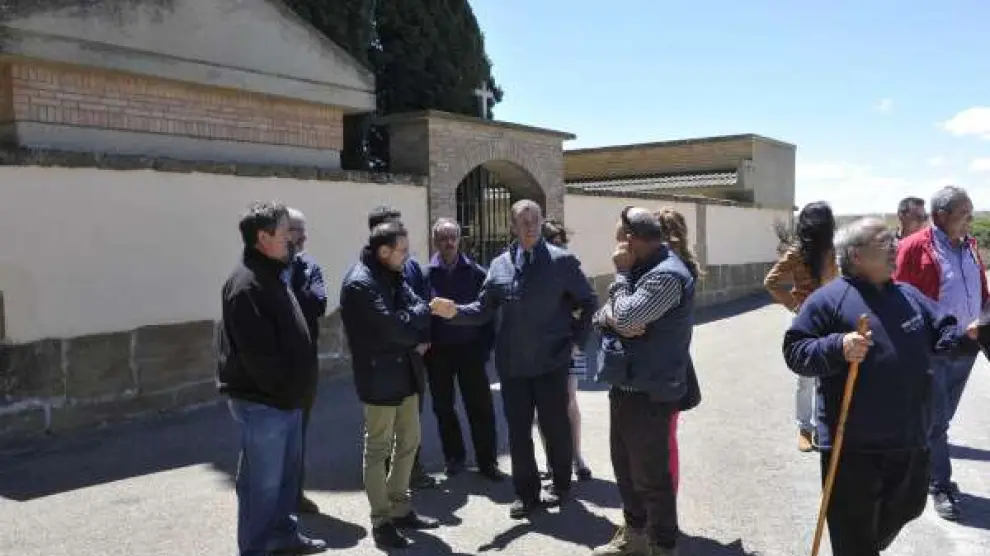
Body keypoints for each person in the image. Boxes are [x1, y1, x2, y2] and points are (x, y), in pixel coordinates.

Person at [783, 217, 979, 556]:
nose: (894, 248)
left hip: (910, 436)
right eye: (884, 242)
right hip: (853, 445)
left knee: (910, 506)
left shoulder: (907, 294)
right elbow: (796, 351)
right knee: (852, 533)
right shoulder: (828, 300)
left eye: (893, 241)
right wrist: (837, 346)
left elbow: (941, 324)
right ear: (856, 255)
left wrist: (959, 337)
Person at [430, 199, 598, 519]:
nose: (531, 225)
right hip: (513, 366)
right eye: (524, 221)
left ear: (542, 222)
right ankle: (526, 493)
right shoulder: (499, 266)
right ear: (513, 227)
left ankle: (561, 484)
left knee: (556, 428)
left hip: (551, 363)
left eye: (535, 219)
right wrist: (455, 312)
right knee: (519, 434)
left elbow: (589, 302)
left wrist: (577, 342)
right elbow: (482, 309)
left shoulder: (562, 262)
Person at [217, 201, 327, 556]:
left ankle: (283, 536)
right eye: (284, 233)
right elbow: (258, 358)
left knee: (284, 481)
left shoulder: (272, 272)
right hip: (266, 403)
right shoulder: (247, 285)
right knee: (261, 487)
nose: (291, 240)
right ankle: (256, 548)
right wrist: (286, 392)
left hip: (287, 400)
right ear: (263, 238)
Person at [590, 207, 695, 556]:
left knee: (652, 479)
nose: (616, 247)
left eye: (619, 239)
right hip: (626, 387)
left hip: (650, 394)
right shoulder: (643, 269)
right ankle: (634, 539)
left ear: (630, 240)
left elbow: (627, 317)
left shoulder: (666, 275)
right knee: (625, 469)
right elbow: (607, 317)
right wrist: (613, 317)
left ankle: (662, 546)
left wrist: (620, 278)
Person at [339, 221, 440, 549]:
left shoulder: (394, 274)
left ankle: (400, 506)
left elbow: (417, 307)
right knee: (378, 449)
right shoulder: (360, 283)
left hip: (405, 371)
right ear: (383, 251)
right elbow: (391, 328)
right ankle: (381, 520)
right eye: (402, 250)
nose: (407, 256)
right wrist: (412, 319)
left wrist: (409, 318)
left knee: (410, 441)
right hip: (378, 376)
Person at [892, 185, 989, 521]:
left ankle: (920, 470)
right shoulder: (913, 247)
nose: (970, 220)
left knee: (941, 418)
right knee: (936, 421)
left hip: (968, 345)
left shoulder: (970, 246)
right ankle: (939, 484)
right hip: (933, 347)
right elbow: (896, 297)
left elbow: (980, 289)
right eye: (964, 214)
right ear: (940, 216)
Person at [424, 218, 502, 481]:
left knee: (480, 407)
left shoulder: (477, 273)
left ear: (459, 240)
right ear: (435, 241)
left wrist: (485, 348)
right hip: (438, 353)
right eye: (442, 238)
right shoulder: (425, 275)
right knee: (444, 408)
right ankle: (454, 457)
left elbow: (489, 314)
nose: (448, 243)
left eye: (452, 237)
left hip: (471, 351)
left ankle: (487, 461)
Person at [367, 206, 437, 490]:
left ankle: (412, 469)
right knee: (385, 421)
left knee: (411, 419)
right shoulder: (368, 274)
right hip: (386, 359)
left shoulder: (412, 267)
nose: (401, 234)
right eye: (393, 228)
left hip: (413, 353)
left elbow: (424, 302)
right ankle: (384, 475)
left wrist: (425, 339)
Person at [763, 201, 838, 452]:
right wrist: (796, 307)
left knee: (828, 374)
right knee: (806, 378)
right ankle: (805, 428)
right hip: (805, 319)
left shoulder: (833, 251)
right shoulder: (797, 252)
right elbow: (771, 281)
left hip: (830, 317)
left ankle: (823, 425)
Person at [654, 207, 705, 496]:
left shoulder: (669, 271)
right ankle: (668, 495)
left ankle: (667, 496)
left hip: (667, 363)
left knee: (665, 437)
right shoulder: (686, 266)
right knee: (668, 435)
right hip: (678, 356)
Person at [538, 218, 592, 482]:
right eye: (552, 242)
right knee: (543, 407)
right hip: (540, 348)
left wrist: (578, 342)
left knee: (570, 400)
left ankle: (576, 457)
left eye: (561, 242)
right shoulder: (532, 270)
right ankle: (551, 462)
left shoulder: (569, 267)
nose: (558, 248)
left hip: (569, 345)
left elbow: (588, 305)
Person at [285, 207, 328, 515]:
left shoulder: (310, 266)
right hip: (274, 364)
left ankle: (294, 494)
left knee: (299, 431)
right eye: (298, 230)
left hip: (304, 362)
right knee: (273, 435)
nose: (304, 236)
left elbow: (318, 303)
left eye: (303, 230)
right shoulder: (264, 269)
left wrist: (286, 293)